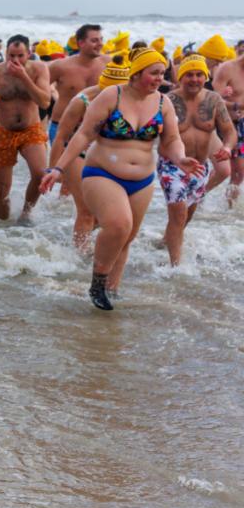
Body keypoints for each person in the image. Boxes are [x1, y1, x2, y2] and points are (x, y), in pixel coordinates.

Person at [41, 47, 202, 310]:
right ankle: (97, 282)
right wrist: (58, 169)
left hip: (141, 180)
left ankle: (111, 290)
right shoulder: (111, 96)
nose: (159, 79)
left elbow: (172, 139)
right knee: (118, 224)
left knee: (127, 237)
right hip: (102, 173)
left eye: (162, 73)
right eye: (154, 73)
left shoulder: (163, 102)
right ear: (137, 73)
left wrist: (180, 158)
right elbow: (83, 135)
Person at [48, 55, 129, 249]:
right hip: (79, 154)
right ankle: (79, 258)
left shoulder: (132, 99)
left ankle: (85, 244)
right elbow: (61, 136)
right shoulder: (83, 100)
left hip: (110, 157)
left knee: (106, 216)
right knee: (86, 211)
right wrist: (53, 168)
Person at [0, 35, 52, 224]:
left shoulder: (39, 69)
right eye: (11, 55)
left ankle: (25, 214)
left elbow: (45, 102)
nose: (15, 61)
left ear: (29, 54)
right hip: (4, 132)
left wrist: (23, 76)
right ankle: (1, 229)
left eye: (20, 56)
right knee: (2, 188)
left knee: (40, 175)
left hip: (31, 129)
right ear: (5, 53)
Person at [161, 55, 234, 265]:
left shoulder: (214, 100)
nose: (194, 79)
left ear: (206, 76)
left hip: (200, 167)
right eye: (189, 75)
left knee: (187, 216)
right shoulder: (168, 101)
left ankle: (165, 242)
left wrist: (227, 147)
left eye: (199, 74)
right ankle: (176, 266)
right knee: (178, 215)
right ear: (181, 77)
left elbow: (229, 131)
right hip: (172, 166)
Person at [47, 24, 106, 144]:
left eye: (101, 39)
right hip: (62, 126)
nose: (100, 44)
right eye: (94, 40)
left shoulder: (108, 64)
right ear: (81, 43)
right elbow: (40, 87)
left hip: (94, 128)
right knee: (61, 163)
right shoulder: (60, 66)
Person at [213, 47, 244, 204]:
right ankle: (198, 196)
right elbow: (213, 99)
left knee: (239, 173)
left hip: (242, 125)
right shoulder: (227, 68)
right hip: (226, 123)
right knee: (225, 170)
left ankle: (228, 209)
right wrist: (236, 106)